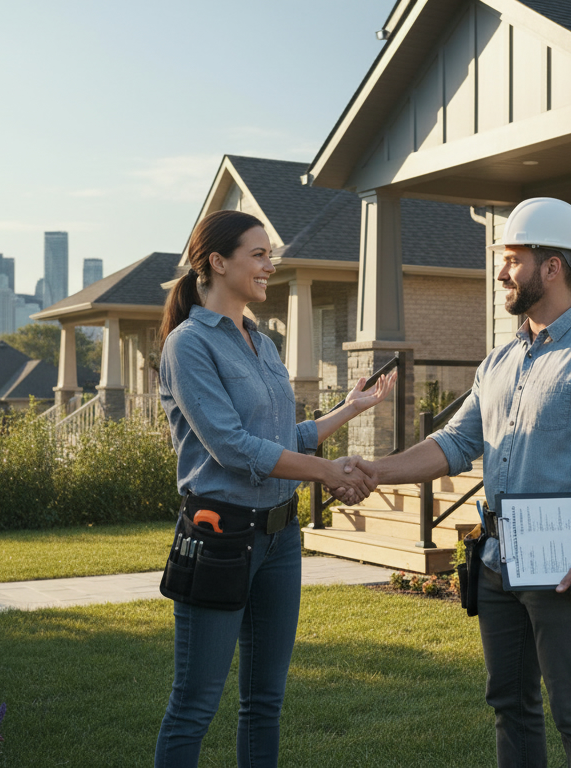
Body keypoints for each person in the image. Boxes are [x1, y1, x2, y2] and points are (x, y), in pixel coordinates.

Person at [351, 198, 571, 767]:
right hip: (495, 561)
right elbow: (456, 444)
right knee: (509, 702)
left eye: (513, 259)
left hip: (564, 569)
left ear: (553, 267)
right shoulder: (499, 360)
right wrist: (375, 471)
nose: (502, 273)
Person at [153, 209, 394, 767]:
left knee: (265, 702)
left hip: (281, 541)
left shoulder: (259, 342)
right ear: (218, 262)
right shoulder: (188, 346)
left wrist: (349, 409)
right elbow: (234, 448)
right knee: (194, 705)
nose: (270, 265)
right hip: (219, 536)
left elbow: (288, 437)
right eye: (258, 255)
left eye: (270, 254)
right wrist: (329, 473)